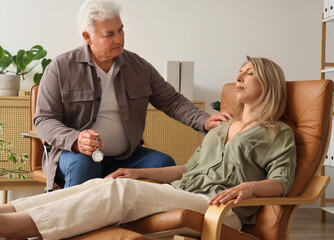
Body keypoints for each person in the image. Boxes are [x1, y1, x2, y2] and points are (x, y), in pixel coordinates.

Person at [0, 56, 296, 239]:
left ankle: (16, 229)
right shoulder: (221, 128)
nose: (238, 78)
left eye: (249, 73)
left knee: (120, 191)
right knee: (105, 184)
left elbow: (282, 181)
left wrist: (251, 188)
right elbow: (190, 169)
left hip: (219, 207)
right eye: (239, 72)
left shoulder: (277, 132)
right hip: (184, 192)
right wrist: (136, 173)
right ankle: (8, 212)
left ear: (269, 85)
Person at [34, 0, 231, 190]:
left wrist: (205, 121)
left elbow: (172, 101)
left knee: (164, 164)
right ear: (88, 37)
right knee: (84, 165)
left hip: (127, 156)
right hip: (74, 154)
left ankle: (136, 223)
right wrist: (76, 140)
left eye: (120, 29)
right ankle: (78, 223)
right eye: (109, 34)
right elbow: (43, 120)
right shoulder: (59, 68)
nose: (119, 38)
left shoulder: (138, 66)